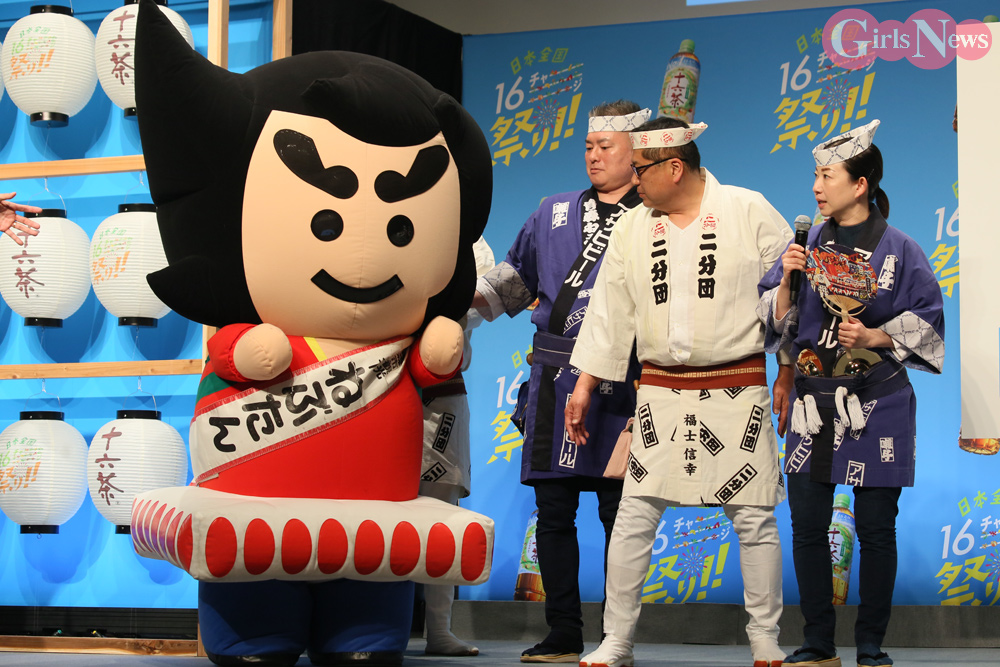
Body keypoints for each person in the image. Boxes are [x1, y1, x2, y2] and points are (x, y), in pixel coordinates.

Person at [566, 116, 792, 667]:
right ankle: (617, 640)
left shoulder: (748, 209)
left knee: (754, 517)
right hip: (661, 391)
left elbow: (792, 297)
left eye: (640, 169)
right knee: (634, 516)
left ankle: (765, 636)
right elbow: (610, 312)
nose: (633, 180)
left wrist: (787, 369)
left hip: (736, 386)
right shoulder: (632, 226)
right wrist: (585, 383)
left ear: (674, 167)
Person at [758, 119, 944, 667]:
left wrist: (875, 337)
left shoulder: (901, 249)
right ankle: (817, 641)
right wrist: (787, 280)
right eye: (815, 176)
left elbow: (929, 320)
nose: (816, 187)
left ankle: (870, 644)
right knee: (808, 528)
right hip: (813, 403)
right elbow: (776, 323)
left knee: (876, 529)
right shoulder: (805, 244)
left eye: (827, 176)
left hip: (878, 399)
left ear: (860, 184)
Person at [473, 101, 649, 663]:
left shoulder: (655, 218)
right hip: (554, 379)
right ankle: (563, 630)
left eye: (606, 147)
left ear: (636, 154)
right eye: (589, 146)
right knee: (553, 511)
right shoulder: (552, 212)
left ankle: (616, 635)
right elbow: (511, 282)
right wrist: (456, 302)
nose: (594, 156)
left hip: (625, 383)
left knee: (620, 514)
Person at [420, 236, 495, 657]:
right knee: (372, 503)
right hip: (375, 385)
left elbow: (479, 303)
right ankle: (373, 624)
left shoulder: (470, 242)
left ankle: (438, 628)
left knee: (440, 510)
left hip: (440, 390)